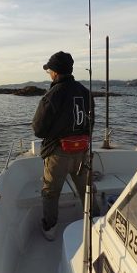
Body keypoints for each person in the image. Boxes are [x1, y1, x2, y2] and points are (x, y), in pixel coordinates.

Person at [32, 51, 99, 241]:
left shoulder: (53, 94)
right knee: (87, 190)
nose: (49, 74)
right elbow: (91, 123)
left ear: (55, 72)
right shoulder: (86, 93)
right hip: (82, 152)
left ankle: (50, 228)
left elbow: (38, 129)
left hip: (58, 154)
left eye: (49, 71)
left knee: (51, 193)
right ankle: (97, 222)